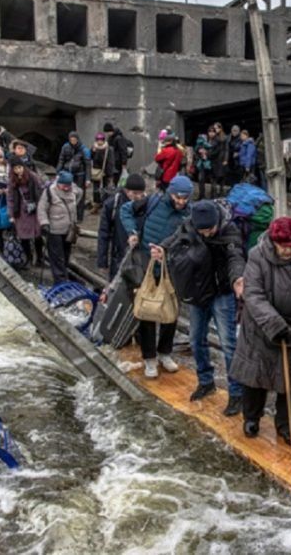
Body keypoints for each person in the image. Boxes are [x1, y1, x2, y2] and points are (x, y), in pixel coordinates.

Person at [230, 217, 291, 445]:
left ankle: (287, 424)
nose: (288, 251)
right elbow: (253, 294)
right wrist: (275, 324)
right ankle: (252, 417)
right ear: (274, 242)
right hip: (262, 325)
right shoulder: (257, 255)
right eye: (284, 246)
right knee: (256, 376)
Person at [158, 200, 246, 413]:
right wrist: (162, 248)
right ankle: (206, 381)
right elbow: (174, 239)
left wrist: (237, 278)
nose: (206, 234)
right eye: (202, 231)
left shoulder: (229, 230)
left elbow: (236, 257)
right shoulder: (189, 225)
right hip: (198, 293)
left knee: (229, 344)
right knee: (196, 340)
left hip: (222, 293)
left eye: (210, 230)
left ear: (217, 222)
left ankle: (237, 393)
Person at [120, 175, 193, 378]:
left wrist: (168, 252)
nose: (181, 202)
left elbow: (188, 241)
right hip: (147, 264)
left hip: (172, 267)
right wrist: (132, 231)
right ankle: (149, 358)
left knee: (170, 311)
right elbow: (126, 210)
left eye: (185, 198)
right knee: (148, 310)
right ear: (170, 193)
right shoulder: (152, 202)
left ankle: (165, 353)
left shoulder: (190, 215)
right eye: (178, 197)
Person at [97, 172, 146, 279]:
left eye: (141, 193)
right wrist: (102, 261)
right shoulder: (113, 204)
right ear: (126, 190)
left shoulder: (147, 204)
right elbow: (103, 234)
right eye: (135, 193)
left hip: (140, 258)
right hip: (119, 256)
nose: (138, 197)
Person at [37, 171, 82, 284]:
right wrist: (44, 223)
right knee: (57, 256)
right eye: (64, 185)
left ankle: (64, 275)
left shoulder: (74, 191)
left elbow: (80, 195)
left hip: (69, 230)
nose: (66, 188)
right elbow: (41, 209)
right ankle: (60, 280)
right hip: (54, 230)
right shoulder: (49, 192)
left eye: (68, 185)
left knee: (66, 254)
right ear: (58, 183)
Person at [7, 156, 44, 269]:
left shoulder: (33, 177)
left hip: (34, 207)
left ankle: (39, 258)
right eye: (15, 168)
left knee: (38, 235)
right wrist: (12, 215)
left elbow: (40, 191)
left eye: (19, 167)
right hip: (21, 210)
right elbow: (10, 198)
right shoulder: (12, 180)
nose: (18, 170)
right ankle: (28, 257)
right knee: (23, 237)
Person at [56, 131, 91, 223]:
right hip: (68, 174)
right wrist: (58, 172)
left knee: (80, 195)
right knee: (67, 194)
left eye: (74, 140)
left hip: (80, 175)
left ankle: (79, 217)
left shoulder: (84, 149)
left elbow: (88, 165)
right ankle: (68, 215)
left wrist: (88, 179)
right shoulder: (65, 147)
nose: (73, 141)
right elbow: (61, 159)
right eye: (71, 140)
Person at [91, 132, 115, 213]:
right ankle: (96, 205)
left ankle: (105, 205)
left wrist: (110, 174)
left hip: (106, 172)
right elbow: (91, 158)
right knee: (95, 190)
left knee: (106, 190)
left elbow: (111, 161)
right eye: (98, 140)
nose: (99, 142)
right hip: (97, 172)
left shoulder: (108, 149)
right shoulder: (94, 148)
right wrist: (94, 152)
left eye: (101, 140)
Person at [211, 123, 229, 198]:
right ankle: (214, 193)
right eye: (215, 128)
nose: (216, 130)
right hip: (215, 158)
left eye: (217, 128)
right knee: (214, 176)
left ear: (220, 128)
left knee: (222, 176)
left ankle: (221, 192)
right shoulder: (214, 137)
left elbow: (227, 149)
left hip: (221, 158)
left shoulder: (225, 137)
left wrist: (226, 159)